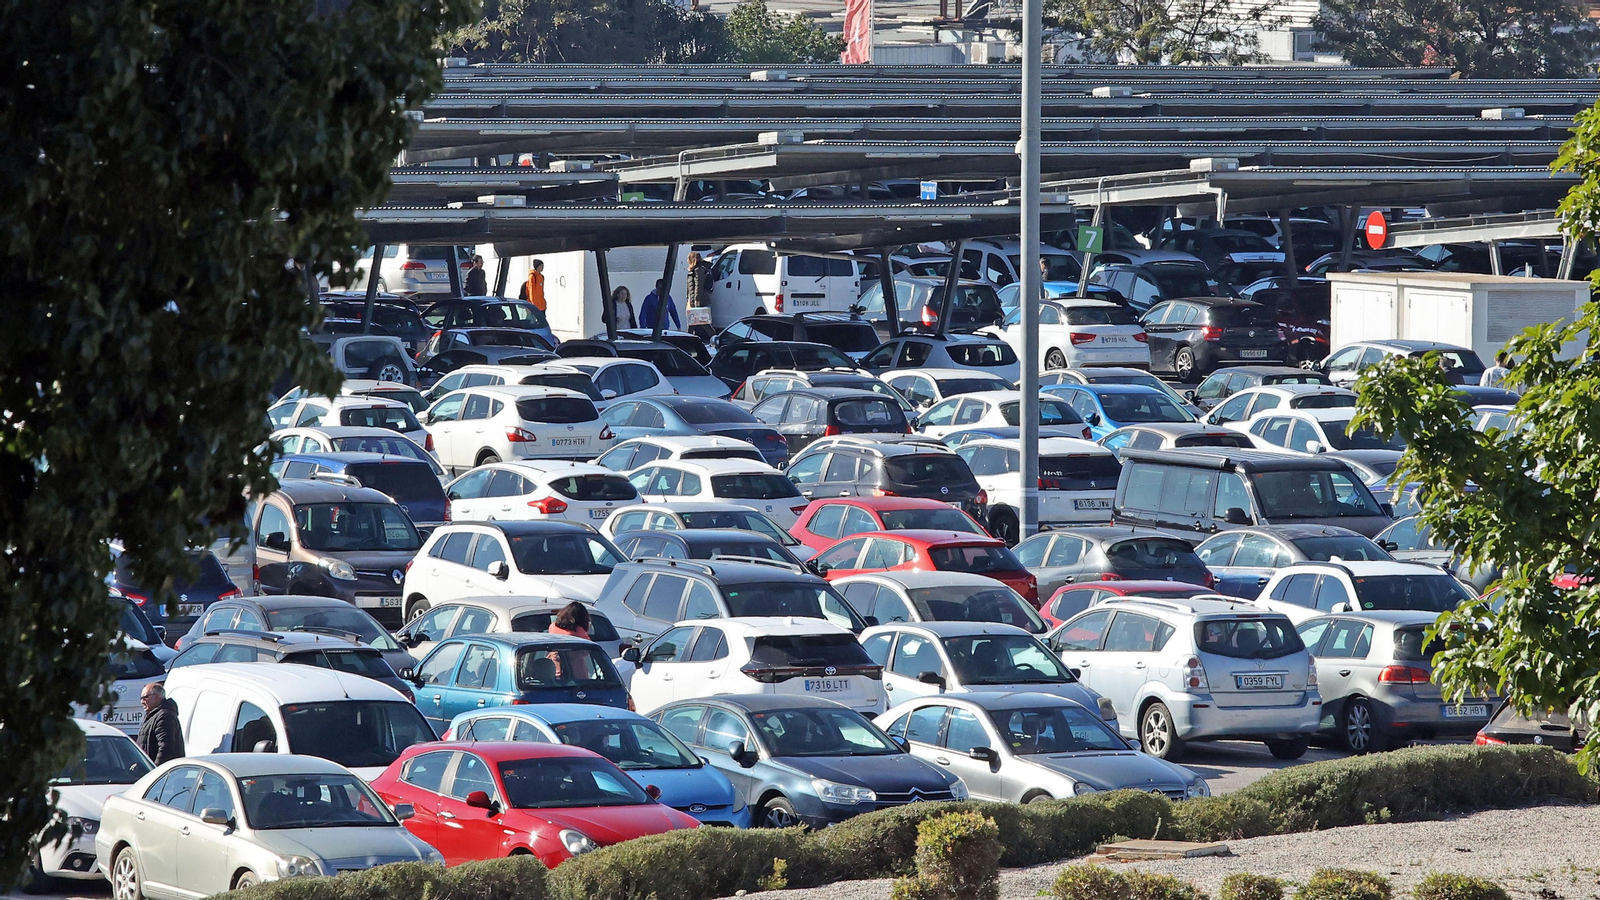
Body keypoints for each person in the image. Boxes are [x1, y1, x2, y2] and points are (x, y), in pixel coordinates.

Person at [136, 682, 184, 764]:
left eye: (145, 698)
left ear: (156, 697)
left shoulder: (165, 716)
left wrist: (155, 771)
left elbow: (165, 748)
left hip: (164, 774)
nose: (142, 702)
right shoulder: (153, 715)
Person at [685, 252, 714, 339]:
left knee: (701, 322)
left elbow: (699, 285)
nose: (687, 261)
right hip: (693, 299)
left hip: (698, 300)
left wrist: (696, 300)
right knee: (693, 322)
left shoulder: (698, 270)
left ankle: (714, 336)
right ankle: (689, 339)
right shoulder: (695, 270)